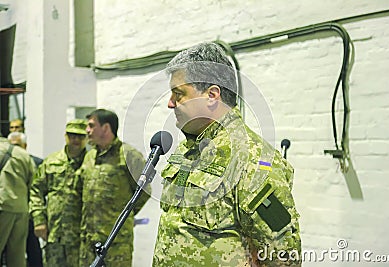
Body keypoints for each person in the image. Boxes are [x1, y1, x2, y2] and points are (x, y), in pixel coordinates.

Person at [152, 42, 302, 266]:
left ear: (212, 95)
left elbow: (283, 256)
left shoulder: (251, 158)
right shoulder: (189, 150)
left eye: (179, 94)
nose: (170, 103)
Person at [79, 109, 150, 266]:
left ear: (105, 127)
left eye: (91, 126)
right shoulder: (90, 156)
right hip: (88, 240)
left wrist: (124, 216)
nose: (87, 130)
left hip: (116, 242)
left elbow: (144, 191)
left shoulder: (128, 155)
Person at [29, 119, 88, 267]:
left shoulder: (92, 163)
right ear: (65, 136)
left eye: (80, 136)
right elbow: (36, 190)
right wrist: (39, 220)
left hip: (83, 236)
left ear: (86, 138)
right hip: (55, 234)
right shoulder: (51, 162)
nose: (76, 140)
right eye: (72, 135)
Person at [7, 132, 44, 267]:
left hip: (28, 214)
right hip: (10, 213)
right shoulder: (5, 161)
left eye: (17, 146)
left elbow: (36, 187)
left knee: (32, 249)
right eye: (12, 146)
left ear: (25, 146)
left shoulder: (36, 162)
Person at [0, 136, 35, 267]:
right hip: (21, 209)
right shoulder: (23, 154)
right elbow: (33, 182)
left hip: (2, 207)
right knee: (17, 255)